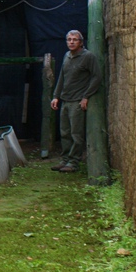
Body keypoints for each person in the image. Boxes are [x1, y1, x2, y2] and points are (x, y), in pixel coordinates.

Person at [50, 30, 102, 173]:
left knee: (76, 133)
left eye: (74, 39)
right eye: (69, 39)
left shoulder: (88, 57)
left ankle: (74, 162)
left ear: (81, 42)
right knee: (64, 132)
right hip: (65, 100)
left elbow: (97, 77)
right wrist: (56, 96)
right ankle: (65, 159)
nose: (71, 42)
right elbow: (62, 77)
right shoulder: (67, 56)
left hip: (77, 101)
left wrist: (86, 96)